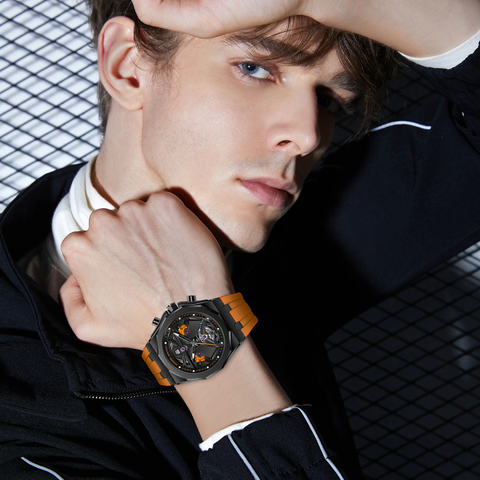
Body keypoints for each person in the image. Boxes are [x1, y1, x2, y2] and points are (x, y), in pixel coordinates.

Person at [0, 1, 479, 479]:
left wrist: (328, 1)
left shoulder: (297, 238)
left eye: (329, 100)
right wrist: (193, 335)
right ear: (128, 66)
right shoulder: (18, 424)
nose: (308, 135)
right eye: (255, 68)